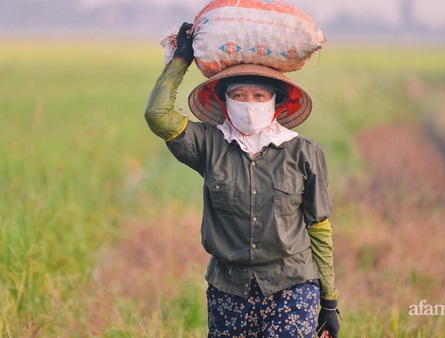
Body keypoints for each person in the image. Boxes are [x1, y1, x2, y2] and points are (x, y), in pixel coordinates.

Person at [145, 22, 341, 337]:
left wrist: (329, 299)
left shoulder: (304, 153)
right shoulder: (209, 144)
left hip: (292, 283)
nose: (249, 104)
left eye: (258, 95)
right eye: (239, 95)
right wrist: (180, 60)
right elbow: (158, 115)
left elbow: (319, 227)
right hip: (228, 288)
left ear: (275, 102)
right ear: (224, 102)